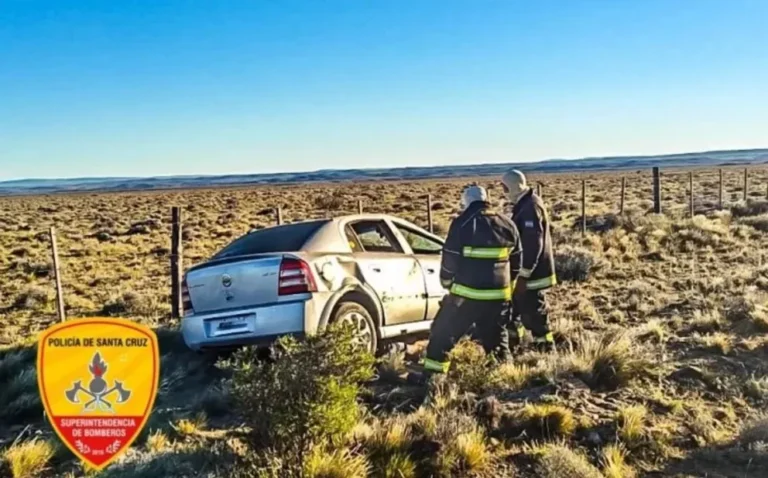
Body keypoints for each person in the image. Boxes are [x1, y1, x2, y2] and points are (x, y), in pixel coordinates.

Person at [407, 184, 522, 385]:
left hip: (466, 297)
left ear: (466, 202)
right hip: (498, 298)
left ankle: (433, 379)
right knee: (497, 340)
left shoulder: (463, 223)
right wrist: (507, 285)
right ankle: (506, 380)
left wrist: (446, 281)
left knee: (443, 335)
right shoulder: (507, 224)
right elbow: (517, 260)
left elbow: (450, 257)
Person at [501, 170, 558, 353]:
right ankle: (515, 346)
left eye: (504, 187)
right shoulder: (524, 204)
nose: (503, 191)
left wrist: (523, 275)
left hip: (533, 275)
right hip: (526, 274)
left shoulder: (530, 207)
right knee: (515, 310)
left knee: (534, 311)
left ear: (513, 186)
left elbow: (533, 244)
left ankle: (546, 347)